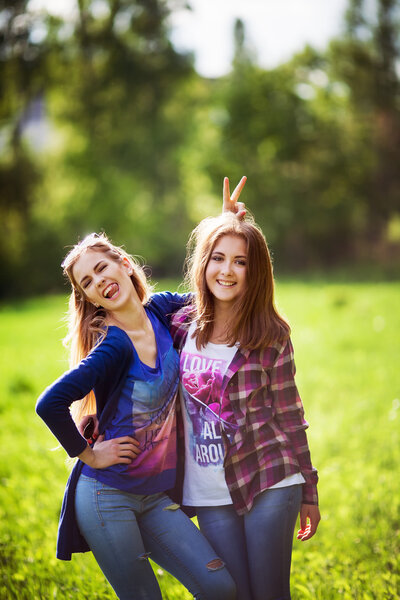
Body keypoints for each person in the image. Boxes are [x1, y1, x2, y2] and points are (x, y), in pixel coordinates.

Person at [35, 230, 239, 600]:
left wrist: (223, 234)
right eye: (88, 282)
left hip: (153, 496)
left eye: (102, 268)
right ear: (87, 297)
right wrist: (90, 454)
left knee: (219, 587)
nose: (99, 281)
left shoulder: (160, 311)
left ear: (125, 264)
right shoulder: (113, 345)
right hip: (106, 496)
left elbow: (215, 295)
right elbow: (49, 403)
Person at [169, 181, 320, 600]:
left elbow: (291, 415)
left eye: (240, 262)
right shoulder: (181, 327)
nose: (227, 271)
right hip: (208, 492)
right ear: (203, 264)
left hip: (268, 478)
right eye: (218, 259)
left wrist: (309, 488)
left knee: (269, 594)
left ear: (256, 272)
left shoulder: (271, 335)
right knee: (231, 593)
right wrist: (223, 223)